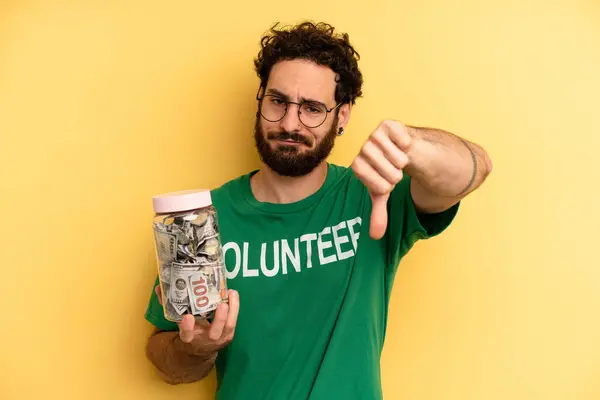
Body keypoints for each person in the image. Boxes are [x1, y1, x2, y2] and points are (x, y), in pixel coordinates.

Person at [144, 21, 492, 400]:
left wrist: (412, 145)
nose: (290, 124)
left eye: (312, 108)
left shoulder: (372, 195)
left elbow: (473, 170)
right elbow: (166, 361)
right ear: (261, 100)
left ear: (341, 116)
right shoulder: (204, 221)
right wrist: (197, 350)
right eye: (278, 101)